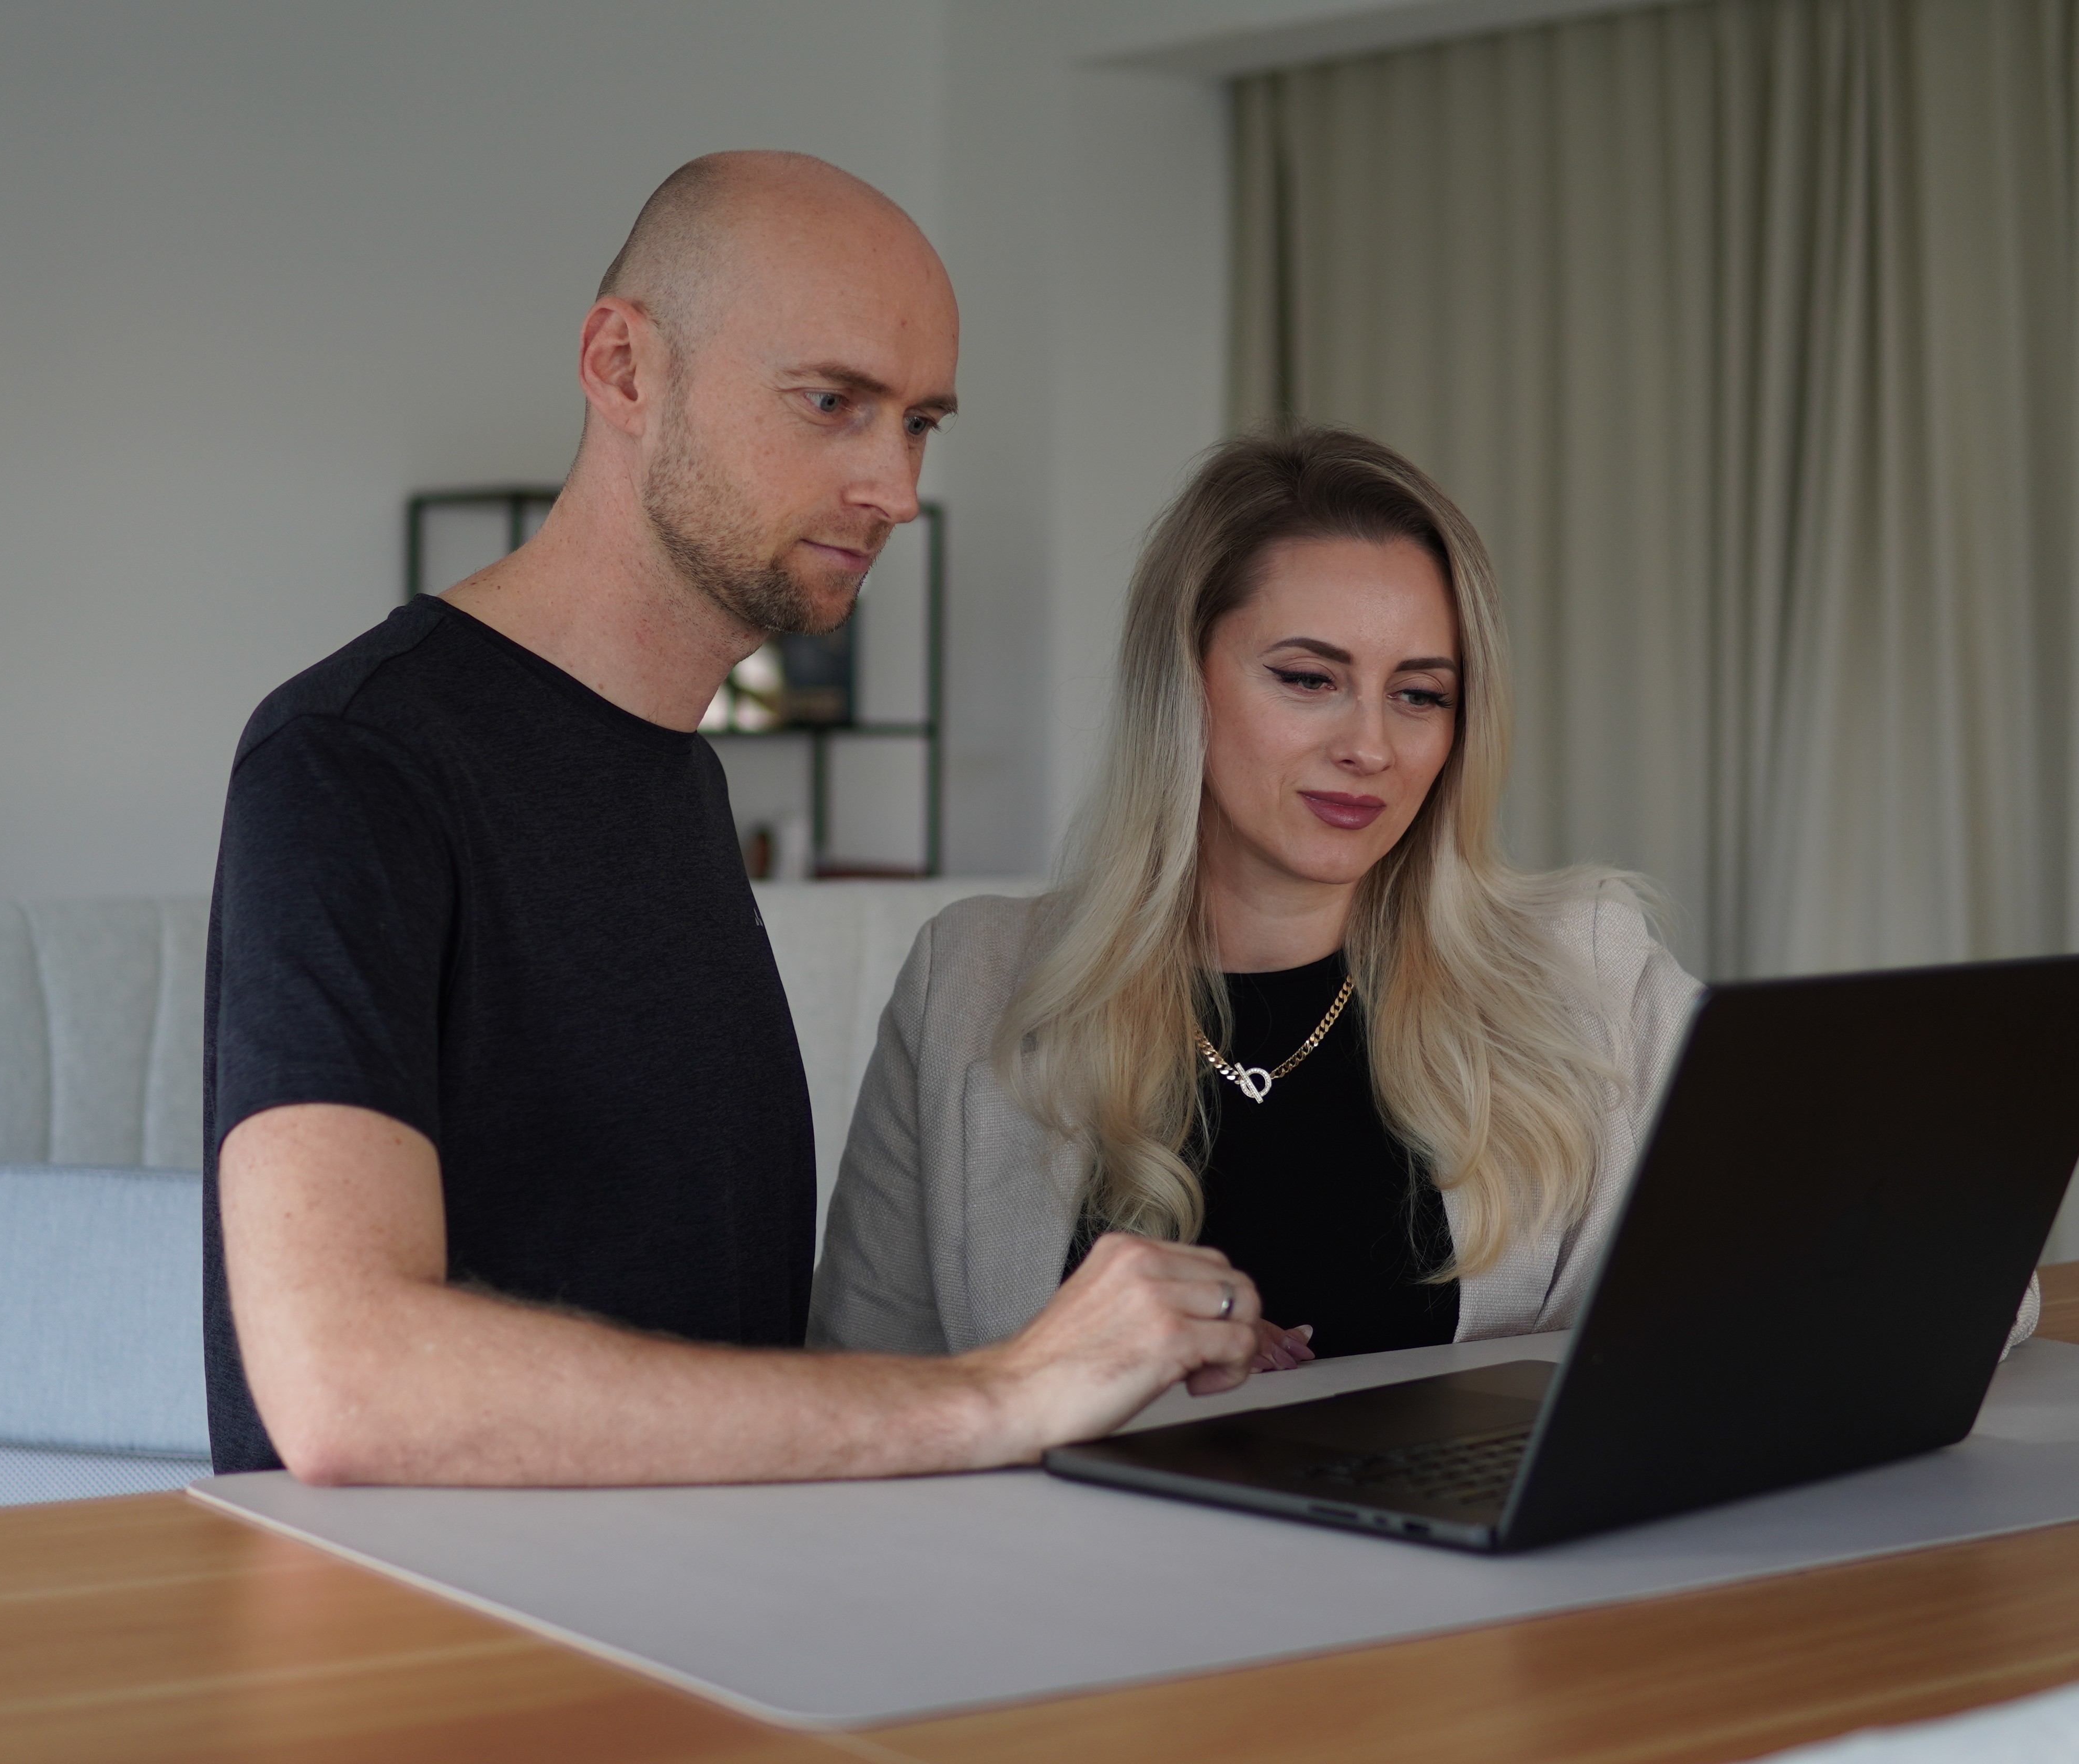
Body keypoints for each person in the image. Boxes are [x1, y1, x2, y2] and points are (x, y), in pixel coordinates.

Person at [204, 151, 1272, 1489]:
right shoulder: (354, 760)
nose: (896, 486)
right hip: (438, 1671)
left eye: (921, 422)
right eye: (834, 402)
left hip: (708, 1633)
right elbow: (342, 1382)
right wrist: (989, 1395)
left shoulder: (674, 774)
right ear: (623, 367)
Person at [812, 428, 1707, 1361]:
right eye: (1310, 679)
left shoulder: (1591, 968)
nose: (1370, 747)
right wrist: (1094, 1396)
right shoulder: (967, 979)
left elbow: (1752, 1310)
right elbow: (864, 1389)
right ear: (1183, 682)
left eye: (1420, 695)